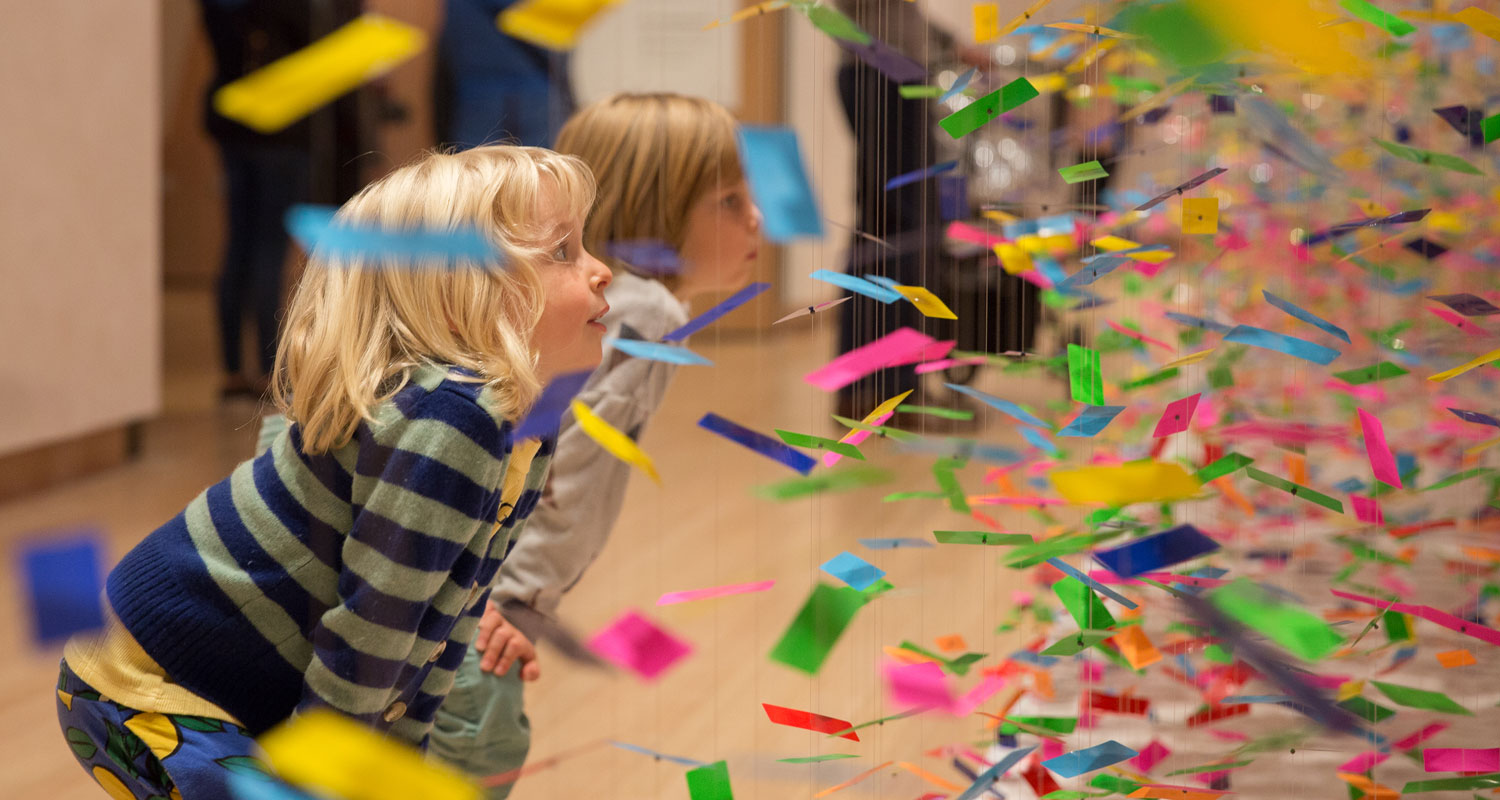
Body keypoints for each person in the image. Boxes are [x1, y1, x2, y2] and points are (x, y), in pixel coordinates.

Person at [54, 145, 613, 798]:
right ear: (465, 294)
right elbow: (371, 629)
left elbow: (439, 632)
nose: (602, 270)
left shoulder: (525, 431)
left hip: (236, 684)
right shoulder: (449, 421)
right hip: (151, 685)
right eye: (563, 252)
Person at [427, 92, 761, 798]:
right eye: (730, 201)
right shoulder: (641, 316)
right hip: (483, 606)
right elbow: (566, 466)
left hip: (457, 579)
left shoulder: (616, 308)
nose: (756, 220)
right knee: (480, 746)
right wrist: (519, 599)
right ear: (657, 215)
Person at [831, 0, 988, 419]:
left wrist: (950, 43)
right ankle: (884, 393)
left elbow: (905, 15)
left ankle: (879, 389)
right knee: (898, 233)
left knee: (896, 231)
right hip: (879, 77)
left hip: (892, 76)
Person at [197, 0, 314, 398]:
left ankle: (232, 370)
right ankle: (268, 372)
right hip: (281, 128)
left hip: (232, 123)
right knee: (268, 250)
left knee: (238, 245)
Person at [433, 0, 576, 149]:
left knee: (476, 166)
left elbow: (451, 49)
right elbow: (561, 49)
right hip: (537, 96)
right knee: (541, 164)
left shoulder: (458, 5)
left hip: (476, 99)